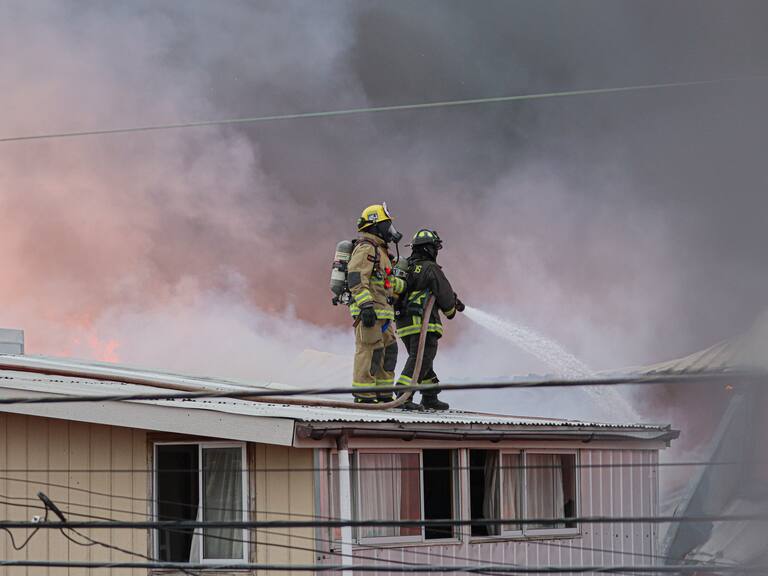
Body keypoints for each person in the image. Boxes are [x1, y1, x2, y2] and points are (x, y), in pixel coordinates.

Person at [395, 229, 464, 410]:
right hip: (422, 323)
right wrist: (451, 309)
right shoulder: (430, 268)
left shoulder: (407, 267)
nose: (436, 252)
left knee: (423, 360)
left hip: (404, 323)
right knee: (422, 357)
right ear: (428, 249)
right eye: (435, 248)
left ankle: (430, 396)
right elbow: (445, 296)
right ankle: (403, 394)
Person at [347, 203, 407, 404]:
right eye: (386, 224)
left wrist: (406, 284)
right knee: (369, 351)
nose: (390, 230)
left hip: (384, 313)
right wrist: (365, 306)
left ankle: (383, 394)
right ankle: (364, 396)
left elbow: (385, 283)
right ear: (375, 225)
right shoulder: (366, 248)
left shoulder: (382, 253)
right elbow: (356, 278)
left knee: (388, 352)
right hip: (371, 312)